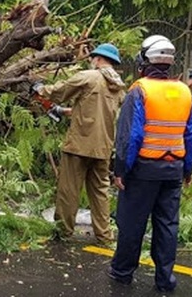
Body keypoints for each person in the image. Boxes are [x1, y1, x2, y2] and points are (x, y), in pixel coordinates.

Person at [109, 35, 192, 292]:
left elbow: (131, 136)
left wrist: (120, 169)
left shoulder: (140, 90)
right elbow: (189, 134)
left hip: (143, 169)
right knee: (168, 224)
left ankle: (122, 272)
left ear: (144, 60)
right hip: (173, 170)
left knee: (132, 222)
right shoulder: (183, 91)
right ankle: (165, 279)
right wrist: (188, 168)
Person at [34, 43, 126, 243]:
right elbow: (98, 111)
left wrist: (41, 89)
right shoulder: (118, 86)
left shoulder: (89, 76)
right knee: (100, 193)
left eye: (93, 58)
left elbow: (62, 90)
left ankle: (63, 232)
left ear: (99, 59)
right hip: (103, 148)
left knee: (69, 191)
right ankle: (104, 235)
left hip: (79, 145)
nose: (91, 61)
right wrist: (65, 111)